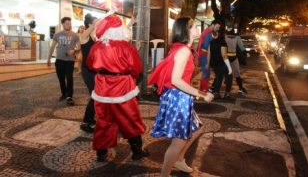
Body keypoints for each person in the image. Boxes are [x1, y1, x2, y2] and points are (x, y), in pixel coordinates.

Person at [148, 17, 214, 177]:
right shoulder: (184, 50)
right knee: (179, 141)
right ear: (187, 30)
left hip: (179, 96)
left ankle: (180, 159)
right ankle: (165, 174)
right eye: (194, 26)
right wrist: (201, 94)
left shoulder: (181, 48)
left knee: (197, 128)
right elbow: (176, 80)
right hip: (178, 98)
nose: (197, 28)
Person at [86, 14, 149, 162]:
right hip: (123, 89)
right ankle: (137, 150)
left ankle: (101, 152)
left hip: (102, 89)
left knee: (103, 119)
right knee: (130, 118)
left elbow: (90, 65)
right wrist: (128, 76)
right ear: (120, 30)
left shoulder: (96, 46)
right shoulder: (127, 46)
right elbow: (136, 68)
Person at [47, 17, 81, 106]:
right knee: (61, 79)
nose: (69, 25)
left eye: (70, 23)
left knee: (69, 78)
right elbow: (52, 47)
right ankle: (64, 93)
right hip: (59, 60)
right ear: (63, 24)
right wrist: (49, 58)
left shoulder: (75, 35)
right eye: (67, 24)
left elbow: (79, 47)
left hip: (69, 61)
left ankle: (69, 96)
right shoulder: (57, 35)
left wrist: (73, 50)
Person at [205, 30, 232, 100]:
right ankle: (227, 93)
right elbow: (224, 55)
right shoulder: (223, 42)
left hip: (214, 64)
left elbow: (209, 54)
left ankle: (216, 93)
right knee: (229, 77)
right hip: (222, 63)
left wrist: (208, 63)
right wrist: (229, 67)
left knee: (219, 77)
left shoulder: (211, 42)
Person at [224, 29, 250, 98]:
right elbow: (241, 46)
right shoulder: (229, 36)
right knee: (232, 74)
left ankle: (238, 88)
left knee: (232, 74)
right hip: (228, 57)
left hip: (229, 57)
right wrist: (246, 53)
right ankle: (227, 91)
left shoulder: (225, 36)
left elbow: (241, 46)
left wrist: (245, 52)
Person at [197, 20, 221, 91]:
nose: (218, 29)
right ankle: (203, 89)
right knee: (206, 72)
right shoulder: (208, 33)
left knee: (206, 72)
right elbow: (206, 46)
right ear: (212, 25)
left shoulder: (208, 31)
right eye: (217, 27)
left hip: (203, 53)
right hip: (204, 54)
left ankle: (204, 88)